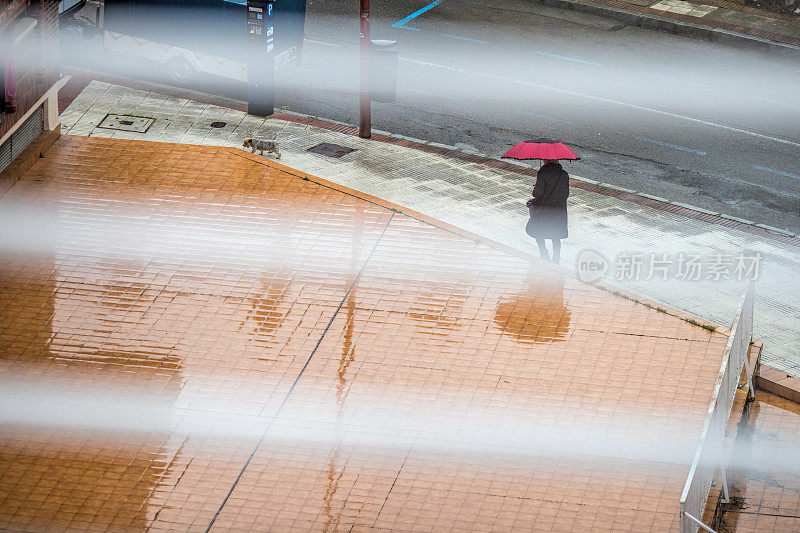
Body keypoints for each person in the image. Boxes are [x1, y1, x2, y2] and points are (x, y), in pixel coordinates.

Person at [526, 159, 569, 263]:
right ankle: (556, 258)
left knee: (538, 230)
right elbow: (566, 194)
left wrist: (536, 188)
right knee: (556, 234)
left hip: (544, 209)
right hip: (558, 210)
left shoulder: (543, 172)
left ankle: (543, 253)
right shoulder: (564, 174)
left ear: (546, 160)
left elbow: (537, 193)